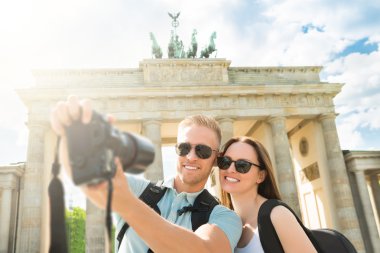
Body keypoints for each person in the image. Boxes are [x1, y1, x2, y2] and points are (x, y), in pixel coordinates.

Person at [50, 96, 242, 253]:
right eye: (184, 148)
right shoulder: (137, 190)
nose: (191, 157)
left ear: (216, 158)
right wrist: (74, 137)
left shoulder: (225, 217)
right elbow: (91, 178)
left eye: (202, 151)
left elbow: (206, 250)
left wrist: (127, 205)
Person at [217, 136, 317, 253]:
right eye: (225, 162)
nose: (230, 169)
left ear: (261, 176)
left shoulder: (278, 215)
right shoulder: (224, 221)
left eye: (242, 165)